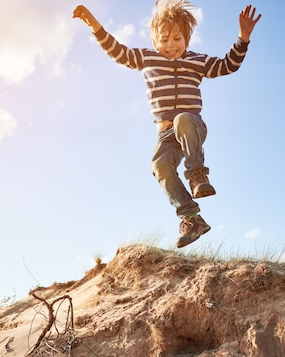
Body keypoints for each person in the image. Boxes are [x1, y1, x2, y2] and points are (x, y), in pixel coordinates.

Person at [73, 1, 261, 248]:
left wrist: (243, 37)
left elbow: (227, 65)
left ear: (187, 39)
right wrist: (94, 25)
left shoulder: (197, 60)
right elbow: (116, 50)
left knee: (183, 119)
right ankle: (191, 218)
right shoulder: (146, 58)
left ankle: (197, 175)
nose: (171, 45)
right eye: (164, 40)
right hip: (165, 135)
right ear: (154, 41)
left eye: (177, 38)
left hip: (192, 127)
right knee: (159, 165)